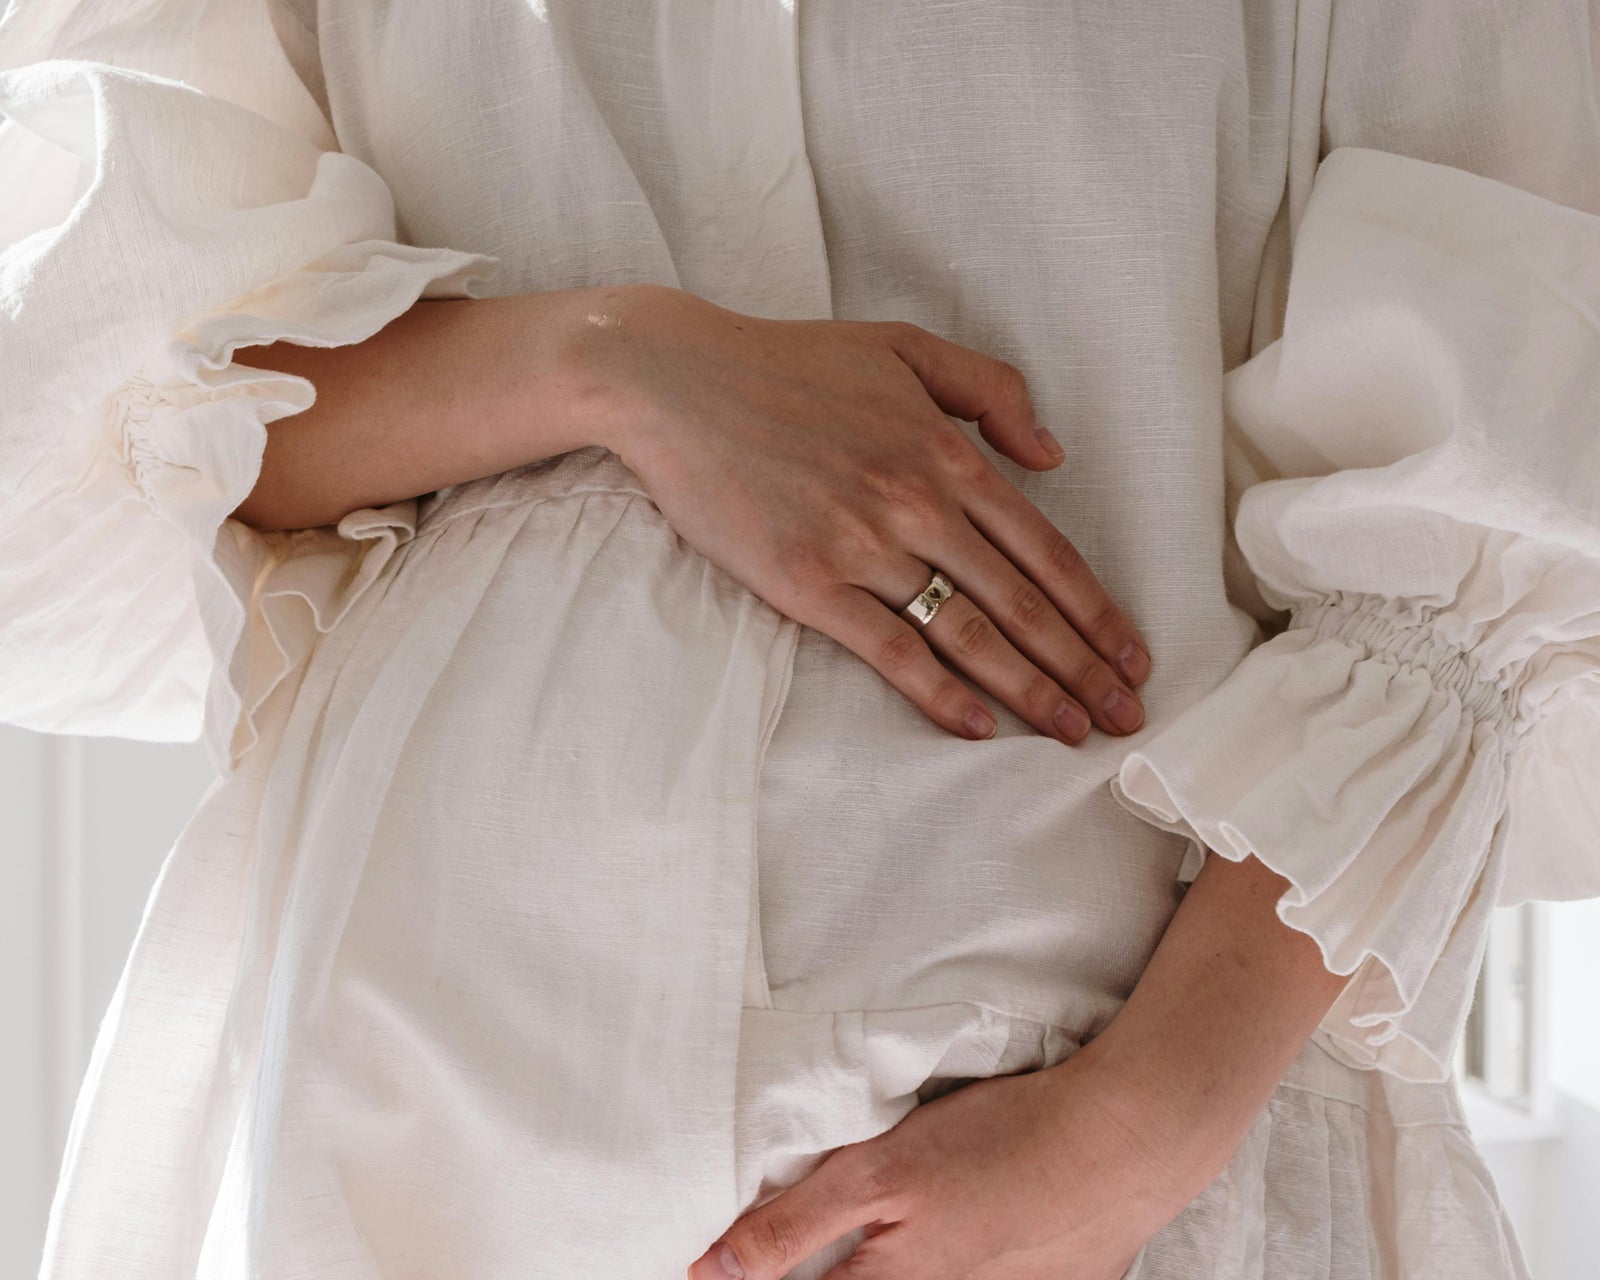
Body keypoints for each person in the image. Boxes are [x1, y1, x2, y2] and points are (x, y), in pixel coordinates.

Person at [1, 0, 1596, 1277]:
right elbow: (96, 430)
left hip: (1071, 1107)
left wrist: (1142, 1130)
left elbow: (1507, 475)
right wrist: (616, 365)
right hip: (414, 1091)